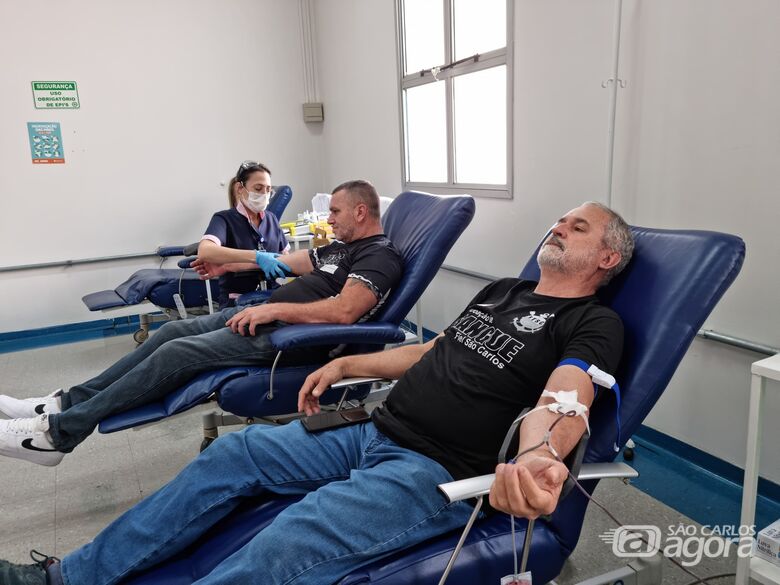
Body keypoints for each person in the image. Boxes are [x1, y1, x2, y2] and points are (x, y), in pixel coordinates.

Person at [0, 201, 634, 585]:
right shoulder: (501, 290)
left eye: (576, 228)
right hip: (369, 428)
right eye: (558, 220)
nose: (557, 228)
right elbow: (434, 352)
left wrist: (536, 457)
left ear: (606, 259)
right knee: (229, 457)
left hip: (432, 470)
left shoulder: (594, 323)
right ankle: (66, 577)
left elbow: (566, 397)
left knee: (289, 538)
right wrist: (349, 362)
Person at [0, 180, 403, 468]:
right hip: (264, 316)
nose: (329, 219)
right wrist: (228, 259)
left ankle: (58, 433)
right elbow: (283, 262)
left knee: (179, 353)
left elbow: (345, 311)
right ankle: (64, 401)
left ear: (360, 211)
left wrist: (275, 311)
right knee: (172, 331)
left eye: (334, 211)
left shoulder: (379, 255)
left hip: (291, 339)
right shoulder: (340, 248)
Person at [198, 160, 290, 308]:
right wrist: (257, 257)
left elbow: (285, 259)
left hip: (272, 297)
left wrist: (238, 265)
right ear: (240, 188)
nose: (264, 194)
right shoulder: (224, 219)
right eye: (258, 188)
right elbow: (205, 251)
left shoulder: (271, 219)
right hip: (237, 302)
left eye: (268, 190)